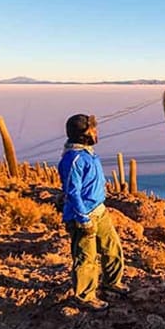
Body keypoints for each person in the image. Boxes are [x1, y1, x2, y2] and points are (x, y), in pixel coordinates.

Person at [58, 113, 125, 310]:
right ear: (83, 134)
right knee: (86, 257)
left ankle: (112, 282)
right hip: (84, 216)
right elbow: (72, 191)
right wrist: (82, 218)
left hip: (99, 210)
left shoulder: (87, 153)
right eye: (92, 129)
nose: (96, 133)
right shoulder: (74, 158)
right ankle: (84, 297)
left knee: (112, 247)